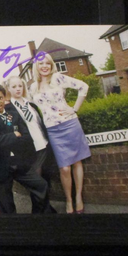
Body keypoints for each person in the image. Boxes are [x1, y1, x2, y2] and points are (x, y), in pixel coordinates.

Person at [29, 53, 91, 214]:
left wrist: (74, 108)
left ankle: (78, 197)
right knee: (64, 168)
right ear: (36, 66)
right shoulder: (33, 87)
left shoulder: (58, 78)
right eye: (41, 63)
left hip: (70, 124)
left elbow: (83, 87)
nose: (44, 66)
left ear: (51, 65)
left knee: (77, 162)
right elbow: (28, 106)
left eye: (47, 63)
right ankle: (68, 200)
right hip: (52, 130)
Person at [0, 83, 53, 214]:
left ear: (4, 97)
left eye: (0, 98)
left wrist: (5, 139)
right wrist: (14, 135)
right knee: (7, 208)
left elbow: (26, 137)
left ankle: (39, 216)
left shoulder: (13, 114)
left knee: (41, 186)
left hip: (18, 164)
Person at [4, 75, 57, 214]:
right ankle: (41, 211)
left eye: (20, 86)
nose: (18, 89)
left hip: (44, 145)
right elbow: (10, 128)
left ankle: (44, 209)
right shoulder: (8, 109)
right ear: (8, 89)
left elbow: (39, 124)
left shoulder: (30, 104)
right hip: (30, 150)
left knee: (45, 180)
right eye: (14, 86)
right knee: (37, 183)